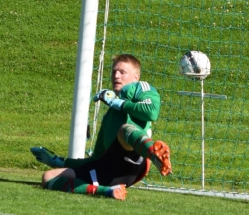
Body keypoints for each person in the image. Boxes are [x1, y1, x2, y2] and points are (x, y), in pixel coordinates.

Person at [31, 54, 172, 201]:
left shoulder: (140, 87)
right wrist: (57, 161)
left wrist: (117, 103)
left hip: (136, 160)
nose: (116, 76)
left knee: (124, 130)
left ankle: (155, 154)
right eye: (114, 72)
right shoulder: (109, 118)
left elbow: (152, 111)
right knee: (48, 177)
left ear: (136, 77)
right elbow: (97, 158)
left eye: (122, 72)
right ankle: (109, 191)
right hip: (110, 171)